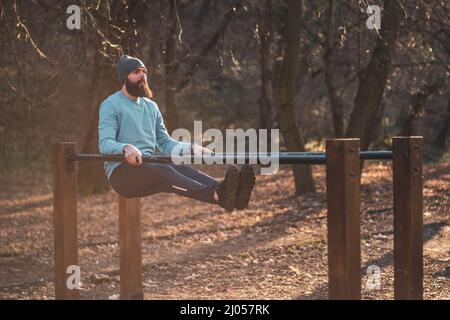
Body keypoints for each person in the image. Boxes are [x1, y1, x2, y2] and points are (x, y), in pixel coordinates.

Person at [98, 55, 255, 211]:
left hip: (149, 166)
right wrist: (126, 147)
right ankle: (217, 195)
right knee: (163, 168)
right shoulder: (111, 105)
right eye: (136, 72)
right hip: (122, 174)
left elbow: (165, 143)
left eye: (144, 71)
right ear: (125, 77)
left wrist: (191, 148)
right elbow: (105, 143)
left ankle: (229, 194)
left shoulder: (151, 107)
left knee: (178, 166)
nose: (142, 75)